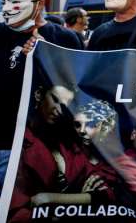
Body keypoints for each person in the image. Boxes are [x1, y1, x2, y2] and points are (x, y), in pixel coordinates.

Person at [0, 0, 81, 223]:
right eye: (3, 2)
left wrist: (44, 54)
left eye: (15, 2)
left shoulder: (63, 38)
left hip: (25, 152)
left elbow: (79, 82)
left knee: (16, 216)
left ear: (39, 5)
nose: (7, 8)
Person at [9, 83, 102, 222]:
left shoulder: (69, 146)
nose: (59, 110)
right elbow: (14, 210)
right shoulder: (19, 143)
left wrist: (47, 198)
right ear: (39, 95)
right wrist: (79, 200)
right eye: (55, 99)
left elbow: (103, 193)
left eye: (65, 106)